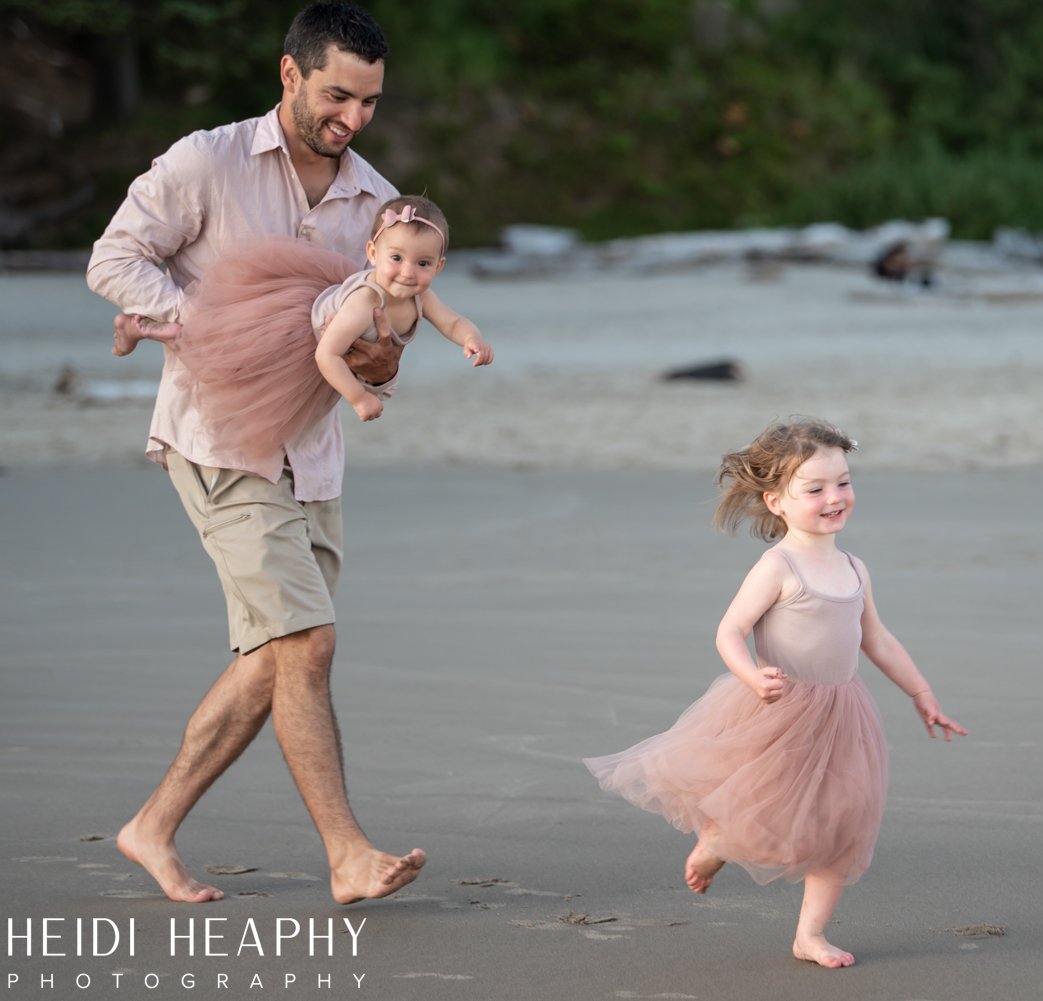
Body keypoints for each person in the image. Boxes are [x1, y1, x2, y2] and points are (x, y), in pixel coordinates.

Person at [85, 1, 425, 905]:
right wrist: (211, 326)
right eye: (336, 95)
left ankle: (150, 826)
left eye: (370, 102)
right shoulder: (210, 160)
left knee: (272, 656)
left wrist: (386, 352)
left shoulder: (372, 199)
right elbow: (115, 259)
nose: (351, 120)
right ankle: (348, 852)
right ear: (290, 74)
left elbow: (385, 334)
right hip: (220, 440)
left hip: (310, 453)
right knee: (307, 641)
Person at [584, 418, 967, 968]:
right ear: (777, 501)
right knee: (771, 819)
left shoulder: (855, 567)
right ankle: (718, 842)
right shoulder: (778, 566)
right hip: (780, 711)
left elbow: (875, 639)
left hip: (845, 714)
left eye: (843, 482)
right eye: (814, 489)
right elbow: (729, 631)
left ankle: (809, 935)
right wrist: (751, 676)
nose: (834, 497)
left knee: (844, 824)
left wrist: (921, 692)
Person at [117, 194, 493, 478]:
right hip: (298, 332)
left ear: (439, 267)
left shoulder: (421, 295)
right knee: (229, 358)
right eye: (396, 258)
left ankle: (160, 329)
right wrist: (358, 397)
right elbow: (326, 356)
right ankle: (146, 329)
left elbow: (451, 321)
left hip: (321, 337)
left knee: (222, 349)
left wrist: (471, 339)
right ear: (372, 253)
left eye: (423, 263)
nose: (408, 273)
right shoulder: (365, 301)